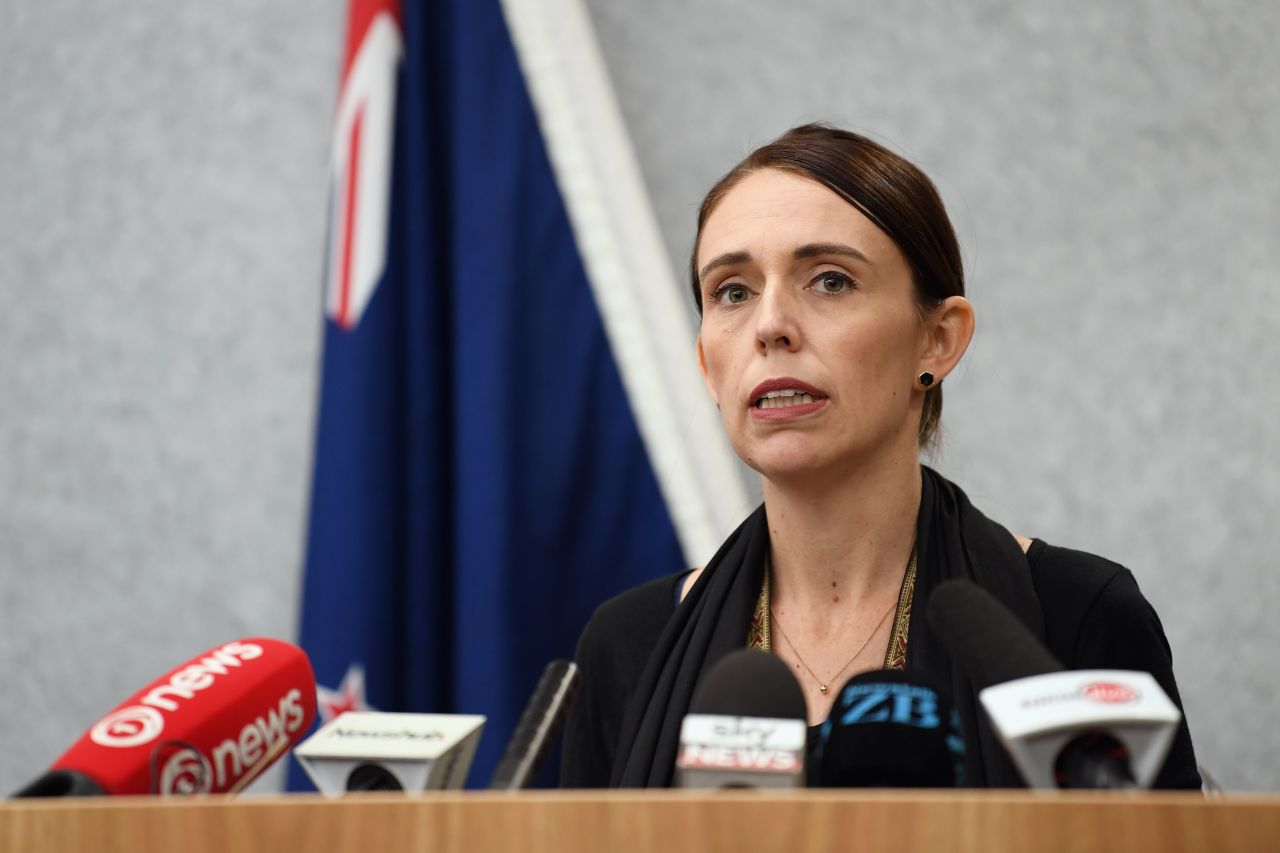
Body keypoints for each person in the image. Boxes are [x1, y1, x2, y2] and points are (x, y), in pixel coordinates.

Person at [559, 123, 1200, 789]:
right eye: (732, 291)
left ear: (938, 340)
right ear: (706, 364)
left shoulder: (1078, 615)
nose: (770, 324)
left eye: (830, 280)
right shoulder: (628, 642)